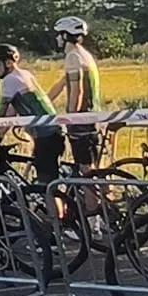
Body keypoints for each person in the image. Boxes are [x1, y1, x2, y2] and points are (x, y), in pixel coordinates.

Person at [0, 44, 62, 180]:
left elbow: (1, 112)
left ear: (8, 63)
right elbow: (13, 110)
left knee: (46, 185)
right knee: (48, 178)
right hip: (52, 131)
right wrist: (1, 133)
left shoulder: (10, 80)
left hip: (44, 135)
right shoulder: (25, 74)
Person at [43, 17, 103, 176]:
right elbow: (62, 83)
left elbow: (77, 91)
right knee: (95, 168)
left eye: (59, 34)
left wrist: (70, 118)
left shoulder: (73, 57)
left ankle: (93, 201)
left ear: (65, 36)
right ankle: (108, 198)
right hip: (93, 117)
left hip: (81, 121)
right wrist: (45, 102)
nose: (57, 38)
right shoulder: (84, 55)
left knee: (86, 173)